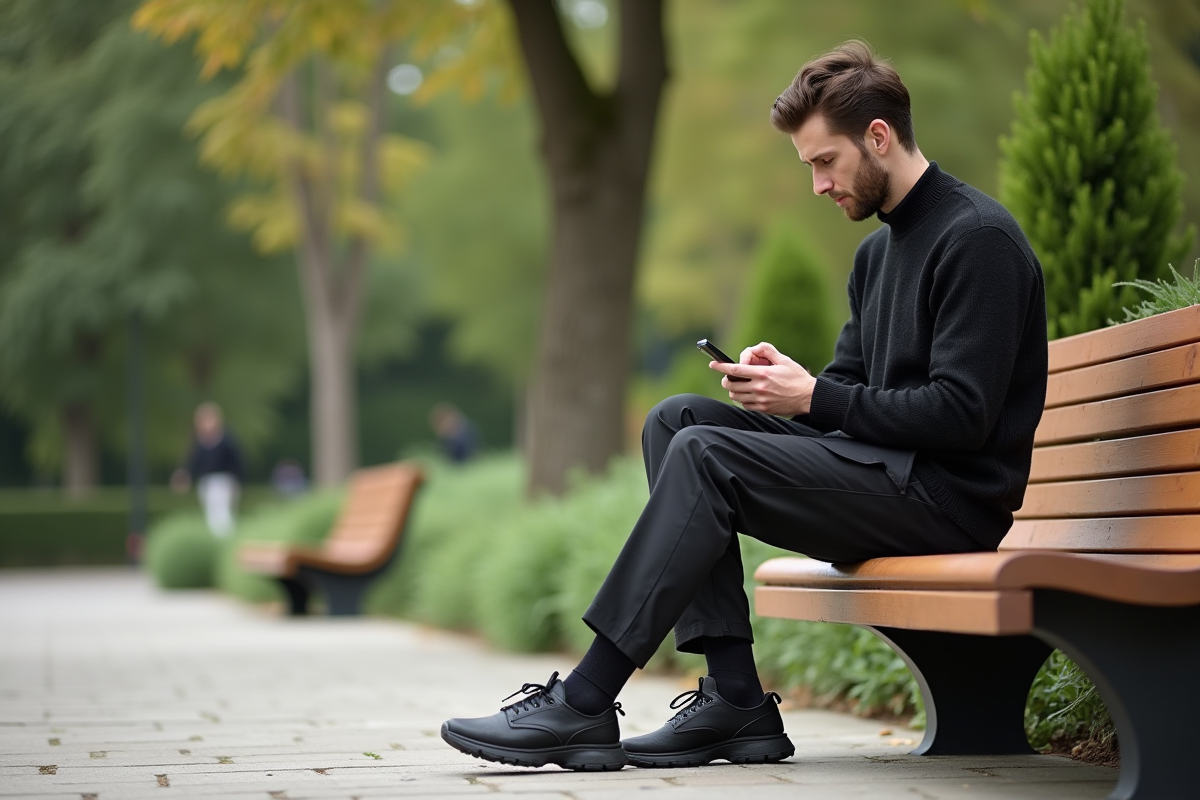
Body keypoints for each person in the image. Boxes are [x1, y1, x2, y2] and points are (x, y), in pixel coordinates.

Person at [440, 40, 1048, 772]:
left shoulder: (977, 239)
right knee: (679, 422)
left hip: (947, 503)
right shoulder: (876, 256)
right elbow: (851, 388)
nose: (819, 184)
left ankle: (586, 699)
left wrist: (816, 396)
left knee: (706, 454)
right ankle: (734, 700)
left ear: (878, 137)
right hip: (888, 478)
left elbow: (961, 416)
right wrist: (791, 388)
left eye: (826, 161)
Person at [171, 402, 245, 536]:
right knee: (212, 516)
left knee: (222, 516)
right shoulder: (199, 442)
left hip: (224, 482)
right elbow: (192, 463)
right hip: (206, 483)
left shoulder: (227, 440)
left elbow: (238, 462)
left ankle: (225, 542)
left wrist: (238, 480)